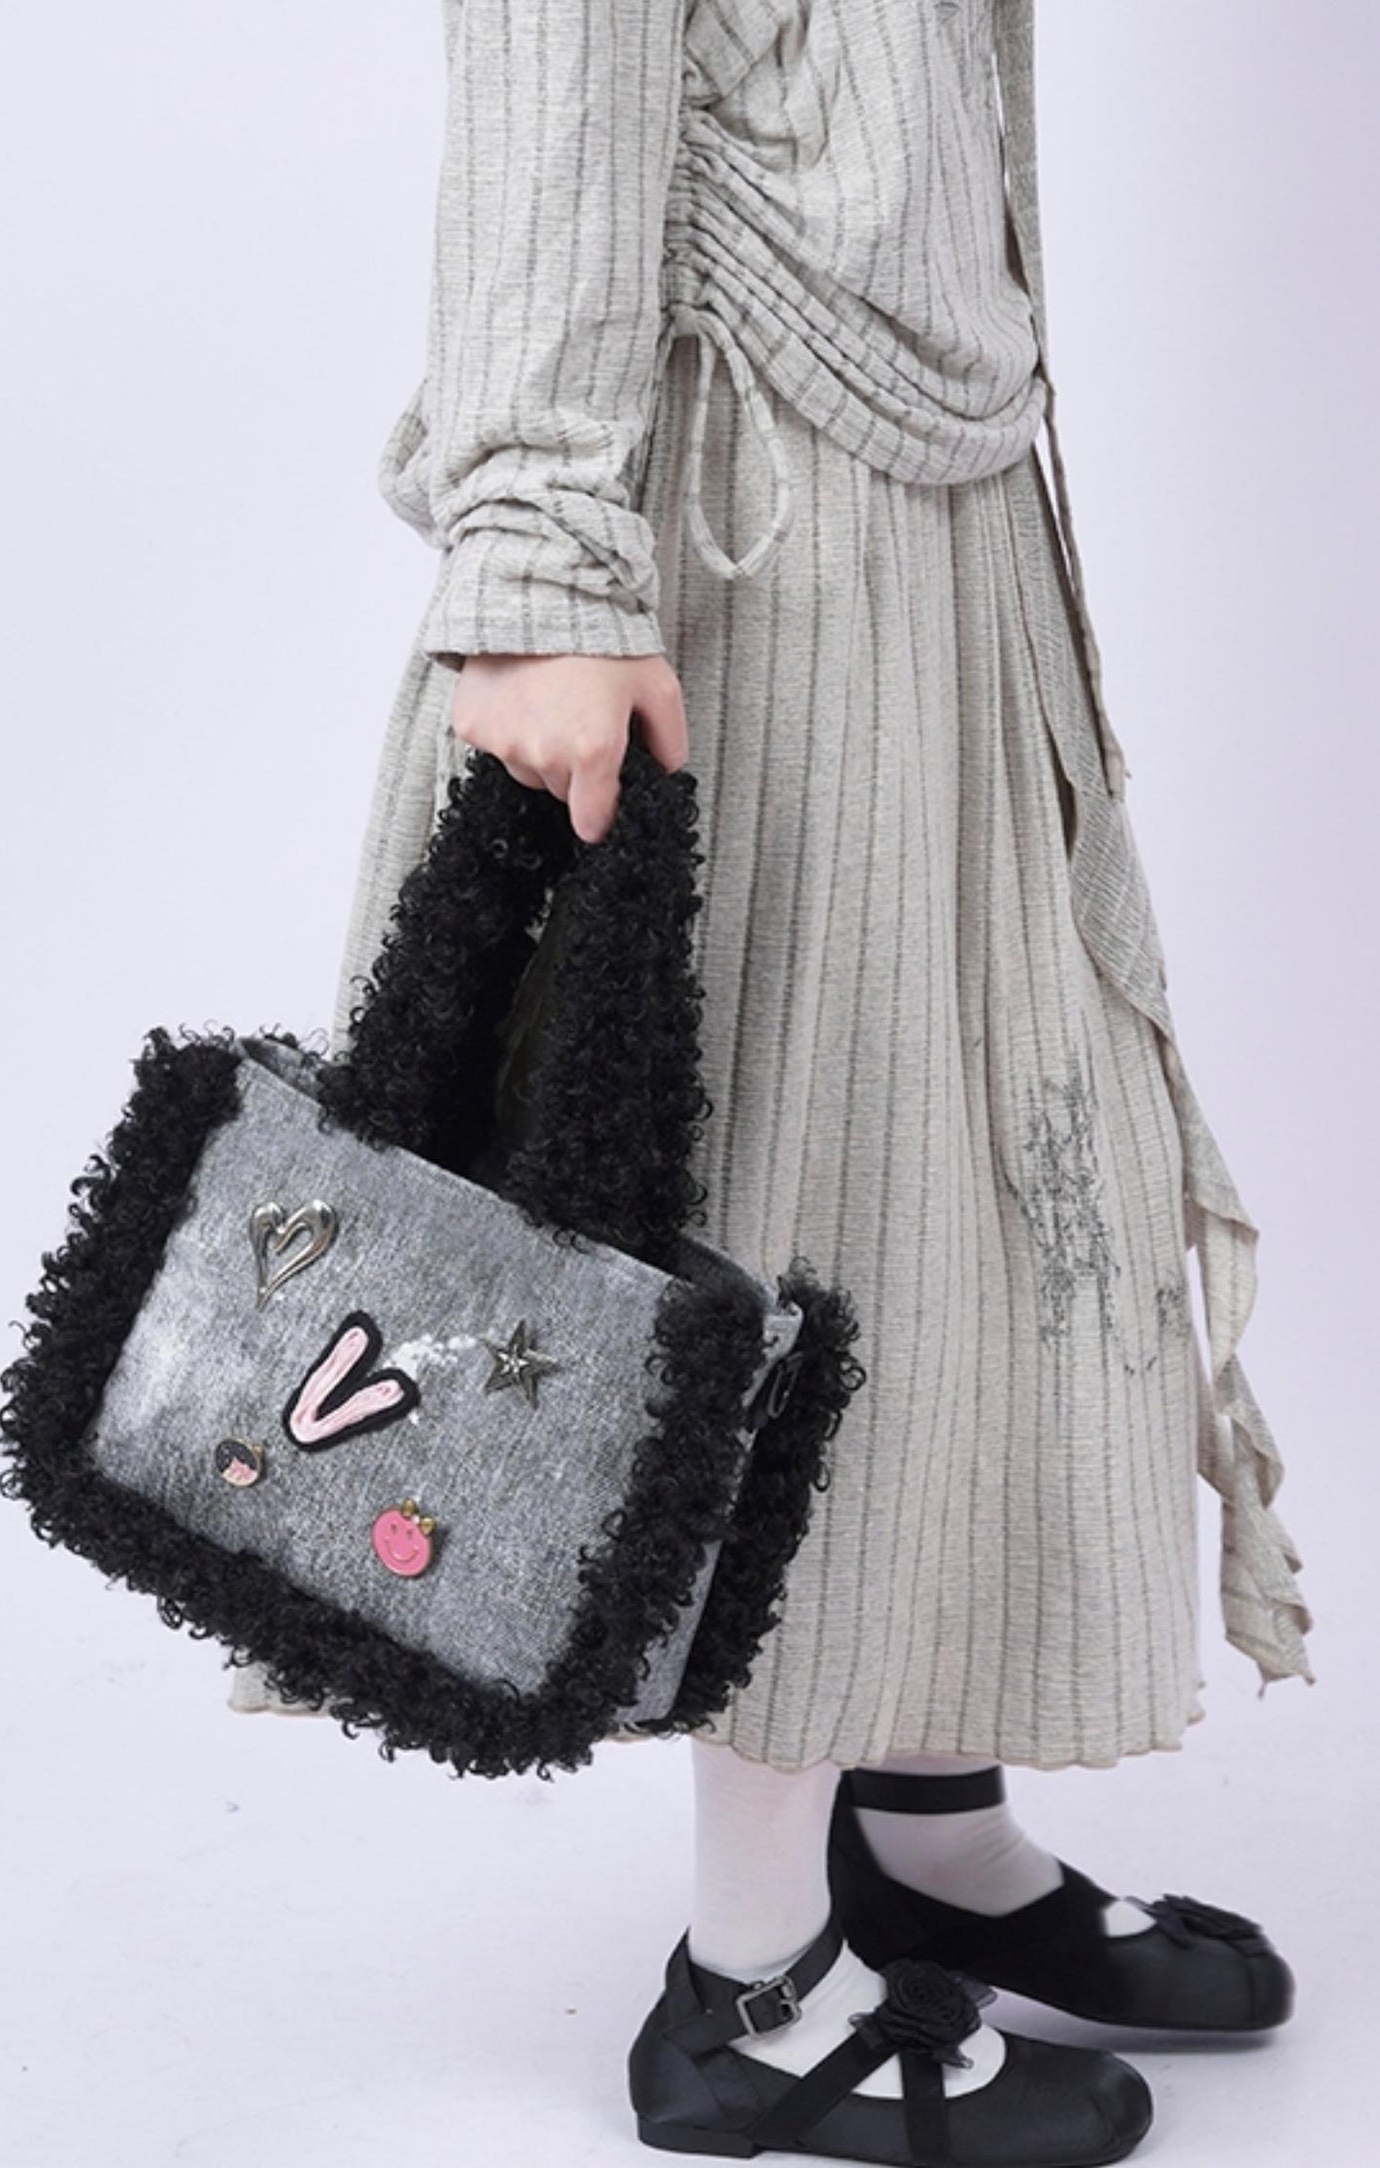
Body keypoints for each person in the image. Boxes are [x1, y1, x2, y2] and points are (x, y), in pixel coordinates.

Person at [232, 6, 1315, 2160]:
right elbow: (552, 68)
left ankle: (924, 1828)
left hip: (937, 523)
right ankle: (747, 1984)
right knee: (791, 1216)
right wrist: (539, 555)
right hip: (749, 549)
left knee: (965, 1212)